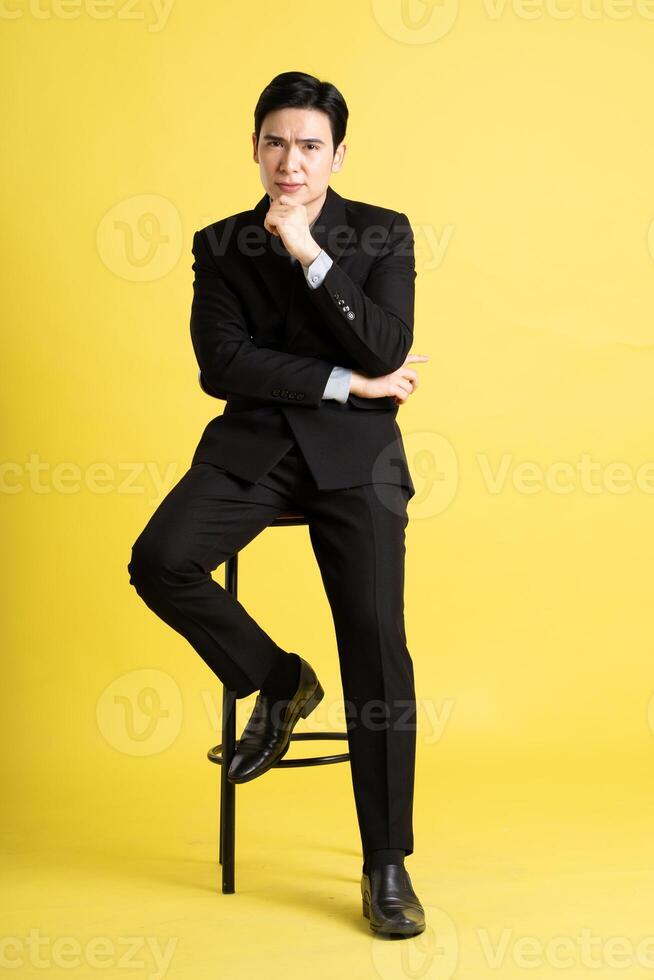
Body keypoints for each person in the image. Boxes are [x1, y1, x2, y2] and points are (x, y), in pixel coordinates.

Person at [127, 70, 429, 938]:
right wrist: (347, 382)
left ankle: (387, 863)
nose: (289, 161)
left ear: (336, 154)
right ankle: (280, 679)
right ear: (254, 147)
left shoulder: (383, 232)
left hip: (356, 464)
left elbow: (388, 340)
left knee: (377, 651)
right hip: (254, 450)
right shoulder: (219, 244)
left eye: (308, 146)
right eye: (274, 143)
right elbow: (222, 366)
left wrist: (308, 251)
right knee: (160, 559)